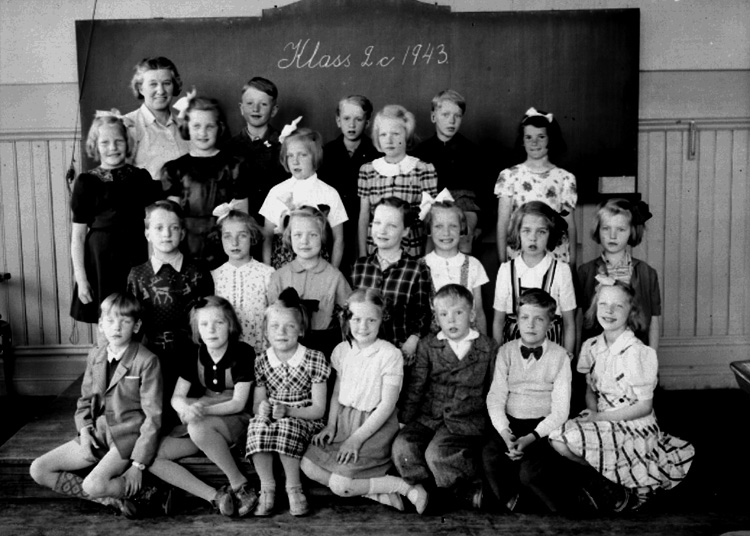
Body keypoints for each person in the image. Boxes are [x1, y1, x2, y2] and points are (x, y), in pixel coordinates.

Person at [549, 280, 694, 510]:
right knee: (558, 439)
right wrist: (594, 414)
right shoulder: (591, 346)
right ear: (595, 308)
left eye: (618, 306)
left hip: (633, 422)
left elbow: (644, 407)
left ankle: (637, 485)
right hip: (604, 417)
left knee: (573, 438)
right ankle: (613, 480)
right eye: (603, 304)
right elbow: (590, 390)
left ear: (631, 311)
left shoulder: (638, 352)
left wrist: (600, 419)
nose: (609, 311)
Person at [30, 292, 162, 519]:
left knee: (92, 484)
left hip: (127, 438)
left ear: (137, 326)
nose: (116, 327)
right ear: (101, 325)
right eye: (110, 321)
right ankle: (111, 500)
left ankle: (150, 492)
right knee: (39, 469)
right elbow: (84, 401)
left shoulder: (147, 360)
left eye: (125, 321)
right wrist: (84, 431)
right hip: (98, 434)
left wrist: (138, 465)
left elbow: (153, 418)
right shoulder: (96, 356)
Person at [300, 288, 429, 514]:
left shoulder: (389, 354)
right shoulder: (341, 351)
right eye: (357, 319)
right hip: (344, 422)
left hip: (374, 426)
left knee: (340, 485)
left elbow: (387, 405)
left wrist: (356, 440)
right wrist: (331, 425)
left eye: (371, 320)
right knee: (307, 465)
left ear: (381, 319)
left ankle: (404, 487)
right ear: (347, 319)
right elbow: (337, 392)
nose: (363, 326)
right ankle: (377, 493)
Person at [148, 296, 257, 518]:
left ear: (231, 325)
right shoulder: (194, 354)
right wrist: (185, 408)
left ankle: (240, 484)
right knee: (153, 455)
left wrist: (202, 410)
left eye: (219, 322)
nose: (211, 330)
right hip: (203, 420)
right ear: (197, 328)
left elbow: (238, 403)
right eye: (204, 324)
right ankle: (214, 496)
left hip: (234, 418)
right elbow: (177, 397)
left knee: (198, 427)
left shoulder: (243, 352)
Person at [392, 284, 498, 510]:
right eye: (443, 314)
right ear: (436, 318)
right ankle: (423, 489)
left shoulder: (487, 347)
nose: (451, 320)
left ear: (471, 315)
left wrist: (493, 427)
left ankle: (461, 490)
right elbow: (416, 386)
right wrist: (404, 420)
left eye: (458, 313)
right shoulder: (428, 345)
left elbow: (493, 391)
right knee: (403, 446)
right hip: (429, 417)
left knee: (438, 453)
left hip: (465, 420)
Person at [483, 289, 575, 513]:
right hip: (510, 423)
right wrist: (505, 432)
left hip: (542, 428)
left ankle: (561, 503)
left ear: (550, 325)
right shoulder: (506, 352)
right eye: (525, 317)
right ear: (516, 321)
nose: (530, 325)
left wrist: (531, 437)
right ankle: (512, 502)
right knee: (490, 456)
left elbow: (561, 411)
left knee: (530, 473)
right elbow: (495, 397)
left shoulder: (560, 356)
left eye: (539, 319)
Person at [127, 200, 214, 427]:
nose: (166, 234)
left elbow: (208, 317)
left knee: (189, 418)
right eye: (159, 228)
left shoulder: (197, 271)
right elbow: (132, 324)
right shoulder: (138, 275)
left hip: (191, 357)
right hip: (152, 358)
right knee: (156, 417)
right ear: (147, 234)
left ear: (182, 233)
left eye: (174, 228)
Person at [245, 288, 330, 517]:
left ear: (301, 329)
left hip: (304, 418)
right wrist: (262, 408)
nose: (281, 332)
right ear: (265, 331)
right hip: (273, 416)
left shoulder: (314, 358)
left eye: (289, 326)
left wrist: (289, 411)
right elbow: (257, 404)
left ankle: (294, 488)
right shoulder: (261, 361)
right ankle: (267, 488)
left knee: (286, 426)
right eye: (274, 326)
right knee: (257, 426)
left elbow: (318, 409)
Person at [70, 110, 160, 323]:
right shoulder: (86, 182)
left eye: (118, 141)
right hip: (101, 262)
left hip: (136, 256)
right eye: (105, 142)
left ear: (127, 143)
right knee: (107, 321)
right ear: (95, 145)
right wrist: (81, 279)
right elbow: (78, 237)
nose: (112, 148)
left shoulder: (140, 178)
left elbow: (153, 224)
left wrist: (153, 267)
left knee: (137, 318)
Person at [161, 95, 249, 269]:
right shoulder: (175, 169)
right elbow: (172, 218)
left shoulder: (234, 166)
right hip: (187, 244)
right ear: (187, 127)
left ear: (219, 128)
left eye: (209, 126)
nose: (202, 133)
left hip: (225, 244)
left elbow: (242, 216)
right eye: (196, 126)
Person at [351, 197, 432, 363]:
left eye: (392, 225)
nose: (382, 230)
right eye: (377, 223)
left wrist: (413, 340)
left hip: (400, 355)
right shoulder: (359, 267)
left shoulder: (417, 269)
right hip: (364, 355)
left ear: (405, 231)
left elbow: (423, 314)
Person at [492, 201, 577, 355]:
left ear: (551, 234)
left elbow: (569, 324)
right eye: (526, 231)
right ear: (517, 232)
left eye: (541, 232)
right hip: (513, 355)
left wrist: (566, 360)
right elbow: (498, 322)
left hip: (551, 355)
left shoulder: (561, 271)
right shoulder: (506, 270)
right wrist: (498, 359)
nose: (533, 238)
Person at [495, 107, 577, 264]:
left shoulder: (565, 178)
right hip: (520, 256)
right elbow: (503, 223)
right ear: (522, 141)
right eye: (528, 137)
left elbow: (570, 225)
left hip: (555, 256)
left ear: (551, 139)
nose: (534, 142)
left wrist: (572, 264)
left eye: (541, 136)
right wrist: (502, 262)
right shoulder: (509, 176)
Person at [267, 206, 351, 358]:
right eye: (298, 235)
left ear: (322, 236)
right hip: (287, 348)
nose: (304, 241)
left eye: (312, 235)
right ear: (289, 237)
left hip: (323, 348)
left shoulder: (335, 276)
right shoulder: (279, 276)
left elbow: (351, 313)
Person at [577, 198, 660, 349]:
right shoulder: (585, 272)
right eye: (606, 228)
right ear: (598, 230)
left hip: (635, 355)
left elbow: (653, 322)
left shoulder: (647, 273)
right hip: (596, 355)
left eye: (621, 229)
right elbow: (579, 320)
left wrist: (652, 357)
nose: (612, 235)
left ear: (632, 231)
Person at [260, 127, 348, 269]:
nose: (295, 161)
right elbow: (267, 237)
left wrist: (332, 273)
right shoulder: (276, 191)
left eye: (302, 155)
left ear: (315, 156)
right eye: (290, 155)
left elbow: (339, 239)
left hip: (318, 267)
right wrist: (267, 271)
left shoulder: (329, 193)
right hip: (282, 267)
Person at [357, 104, 438, 259]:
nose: (389, 140)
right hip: (376, 248)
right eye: (383, 134)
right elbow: (364, 215)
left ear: (407, 135)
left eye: (395, 134)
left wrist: (427, 257)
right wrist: (362, 253)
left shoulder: (422, 169)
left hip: (411, 249)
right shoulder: (368, 170)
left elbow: (430, 218)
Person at [412, 89, 484, 253]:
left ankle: (463, 269)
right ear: (433, 117)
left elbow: (482, 193)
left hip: (465, 204)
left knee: (464, 235)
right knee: (431, 241)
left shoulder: (472, 151)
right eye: (445, 115)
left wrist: (479, 225)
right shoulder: (420, 153)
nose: (451, 121)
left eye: (457, 116)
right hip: (433, 204)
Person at [319, 95, 382, 271]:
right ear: (338, 121)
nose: (352, 125)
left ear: (367, 122)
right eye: (346, 118)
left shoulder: (377, 153)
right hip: (333, 227)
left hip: (365, 227)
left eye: (358, 119)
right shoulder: (326, 152)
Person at [420, 192, 489, 334]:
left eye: (453, 226)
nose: (446, 233)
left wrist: (483, 343)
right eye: (438, 226)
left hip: (468, 340)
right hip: (433, 342)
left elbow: (479, 312)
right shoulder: (419, 266)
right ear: (429, 229)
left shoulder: (473, 265)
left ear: (462, 229)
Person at [211, 209, 274, 356]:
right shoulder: (214, 276)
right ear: (220, 238)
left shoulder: (267, 274)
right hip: (226, 352)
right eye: (227, 236)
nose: (235, 242)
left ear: (252, 237)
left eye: (242, 235)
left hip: (260, 350)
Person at [226, 76, 287, 220]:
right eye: (249, 103)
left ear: (273, 110)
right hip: (239, 223)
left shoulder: (285, 144)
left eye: (263, 104)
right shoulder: (228, 148)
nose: (255, 109)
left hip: (275, 222)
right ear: (241, 108)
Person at [125, 56, 189, 180]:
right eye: (153, 84)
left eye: (167, 83)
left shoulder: (186, 125)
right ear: (141, 88)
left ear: (174, 86)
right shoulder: (128, 125)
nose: (161, 91)